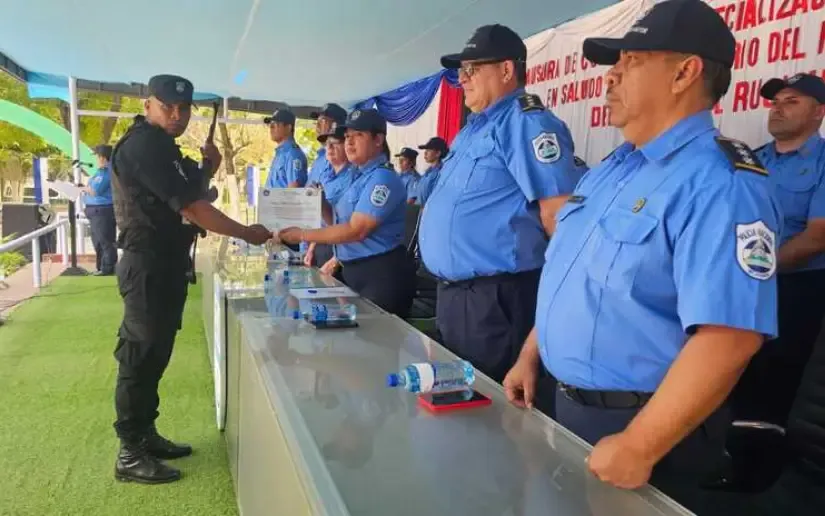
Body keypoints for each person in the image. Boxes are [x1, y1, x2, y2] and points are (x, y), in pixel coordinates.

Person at [501, 1, 781, 512]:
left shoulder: (721, 184)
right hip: (564, 403)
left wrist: (640, 444)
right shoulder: (613, 169)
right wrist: (530, 354)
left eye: (630, 62)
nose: (610, 76)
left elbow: (730, 337)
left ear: (684, 73)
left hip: (644, 426)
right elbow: (575, 278)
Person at [110, 74, 272, 484]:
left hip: (165, 264)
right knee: (139, 357)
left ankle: (145, 434)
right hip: (147, 265)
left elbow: (189, 194)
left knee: (156, 353)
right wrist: (246, 232)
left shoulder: (163, 146)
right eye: (168, 106)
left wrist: (208, 168)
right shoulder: (145, 145)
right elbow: (193, 209)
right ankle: (130, 452)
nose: (177, 115)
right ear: (148, 105)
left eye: (184, 109)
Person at [417, 23, 580, 385]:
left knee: (490, 407)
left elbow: (558, 216)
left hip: (496, 301)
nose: (462, 79)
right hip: (455, 297)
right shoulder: (472, 129)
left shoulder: (526, 123)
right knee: (457, 402)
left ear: (507, 70)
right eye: (461, 70)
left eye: (473, 69)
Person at [731, 73, 825, 426]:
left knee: (775, 387)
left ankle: (762, 451)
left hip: (796, 290)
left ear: (818, 112)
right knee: (733, 375)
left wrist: (754, 270)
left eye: (792, 102)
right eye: (775, 102)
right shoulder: (751, 161)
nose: (778, 109)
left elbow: (817, 237)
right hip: (743, 287)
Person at [279, 109, 415, 317]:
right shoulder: (357, 177)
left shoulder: (383, 178)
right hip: (353, 271)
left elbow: (356, 230)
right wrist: (321, 203)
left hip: (379, 275)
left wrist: (302, 235)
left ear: (378, 140)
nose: (349, 142)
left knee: (376, 336)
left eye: (358, 135)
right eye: (348, 136)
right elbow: (336, 222)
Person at [303, 125, 355, 276]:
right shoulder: (327, 177)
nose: (329, 148)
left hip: (340, 250)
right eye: (327, 144)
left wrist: (335, 260)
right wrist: (311, 249)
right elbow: (322, 221)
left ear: (346, 145)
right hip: (321, 243)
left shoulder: (354, 178)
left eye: (335, 143)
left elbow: (351, 226)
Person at [83, 144, 117, 276]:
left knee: (105, 240)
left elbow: (95, 190)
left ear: (103, 158)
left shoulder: (106, 172)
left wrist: (82, 188)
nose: (96, 160)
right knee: (98, 240)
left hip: (102, 211)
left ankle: (107, 267)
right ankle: (101, 266)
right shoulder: (100, 172)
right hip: (96, 211)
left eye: (97, 157)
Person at [264, 108, 307, 189]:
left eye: (276, 124)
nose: (271, 128)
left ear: (288, 128)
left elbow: (294, 190)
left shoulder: (293, 154)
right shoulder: (281, 153)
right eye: (270, 125)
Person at [307, 103, 348, 186]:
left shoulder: (340, 157)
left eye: (322, 121)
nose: (317, 126)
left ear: (335, 125)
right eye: (317, 121)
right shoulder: (320, 158)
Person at [412, 137, 448, 205]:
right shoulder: (428, 172)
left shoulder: (440, 173)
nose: (425, 153)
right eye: (426, 150)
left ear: (438, 153)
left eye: (428, 150)